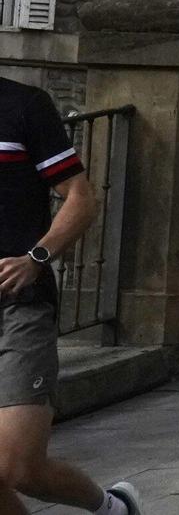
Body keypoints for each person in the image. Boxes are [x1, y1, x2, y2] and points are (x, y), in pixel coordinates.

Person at [0, 74, 141, 515]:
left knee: (19, 467)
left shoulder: (24, 106)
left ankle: (114, 509)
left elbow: (80, 197)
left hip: (18, 307)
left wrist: (36, 257)